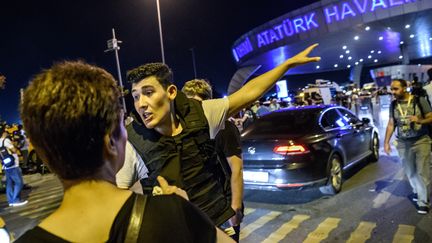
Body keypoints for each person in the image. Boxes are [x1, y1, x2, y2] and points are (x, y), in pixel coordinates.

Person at [16, 61, 233, 242]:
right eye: (122, 126)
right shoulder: (172, 214)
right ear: (110, 141)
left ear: (44, 154)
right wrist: (184, 213)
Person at [125, 44, 319, 227]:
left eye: (148, 92)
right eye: (135, 96)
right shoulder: (132, 143)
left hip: (216, 225)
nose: (141, 103)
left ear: (172, 92)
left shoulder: (204, 114)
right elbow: (112, 197)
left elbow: (249, 92)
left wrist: (286, 64)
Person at [182, 79, 244, 242]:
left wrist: (235, 206)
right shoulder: (184, 130)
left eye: (198, 103)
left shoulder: (225, 127)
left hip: (224, 205)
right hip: (199, 207)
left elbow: (236, 168)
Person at [384, 79, 431, 215]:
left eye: (396, 89)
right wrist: (386, 142)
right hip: (403, 142)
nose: (393, 92)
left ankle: (423, 202)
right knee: (410, 171)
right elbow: (391, 124)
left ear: (405, 88)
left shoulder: (419, 100)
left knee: (422, 171)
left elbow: (430, 116)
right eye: (392, 89)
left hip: (421, 140)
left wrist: (420, 120)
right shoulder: (393, 104)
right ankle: (418, 190)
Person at [1, 125, 27, 207]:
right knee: (19, 182)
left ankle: (11, 201)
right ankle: (16, 200)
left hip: (6, 165)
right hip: (13, 165)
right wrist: (14, 144)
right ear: (3, 133)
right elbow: (14, 150)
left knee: (9, 184)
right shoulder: (5, 140)